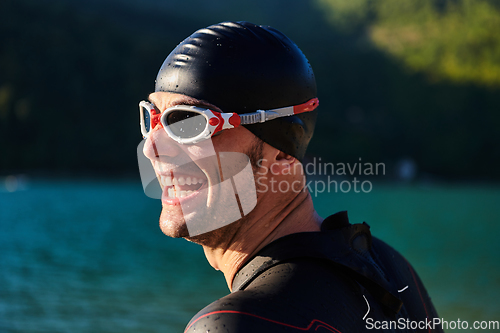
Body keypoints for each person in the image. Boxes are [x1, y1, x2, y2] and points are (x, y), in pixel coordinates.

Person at [137, 21, 443, 332]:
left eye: (188, 123)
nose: (152, 148)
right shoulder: (389, 269)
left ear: (282, 153)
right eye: (154, 117)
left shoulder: (235, 325)